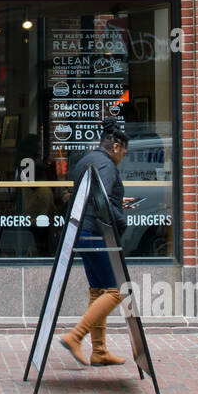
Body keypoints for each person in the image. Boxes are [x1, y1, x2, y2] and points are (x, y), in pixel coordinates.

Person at [56, 118, 137, 367]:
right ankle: (75, 336)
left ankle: (99, 351)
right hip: (97, 234)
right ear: (115, 146)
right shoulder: (108, 166)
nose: (123, 156)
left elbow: (94, 196)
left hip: (82, 231)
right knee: (116, 291)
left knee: (97, 290)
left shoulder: (86, 160)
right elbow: (98, 202)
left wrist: (115, 202)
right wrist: (121, 219)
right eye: (123, 151)